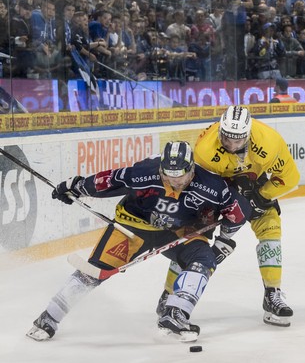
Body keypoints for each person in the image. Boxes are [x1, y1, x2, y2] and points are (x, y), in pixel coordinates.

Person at [27, 141, 247, 342]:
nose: (174, 181)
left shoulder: (213, 186)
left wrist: (224, 241)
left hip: (178, 232)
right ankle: (49, 317)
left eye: (180, 176)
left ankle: (176, 312)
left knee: (204, 259)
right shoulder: (144, 171)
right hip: (132, 228)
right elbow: (108, 181)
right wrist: (75, 186)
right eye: (168, 175)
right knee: (93, 271)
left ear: (191, 169)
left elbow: (235, 214)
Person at [158, 106, 300, 327]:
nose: (231, 145)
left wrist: (261, 197)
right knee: (194, 239)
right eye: (226, 138)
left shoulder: (270, 142)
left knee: (271, 227)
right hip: (217, 191)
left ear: (248, 134)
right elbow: (200, 184)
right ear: (220, 130)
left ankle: (273, 294)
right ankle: (169, 294)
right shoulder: (206, 149)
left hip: (255, 185)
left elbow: (290, 177)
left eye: (237, 140)